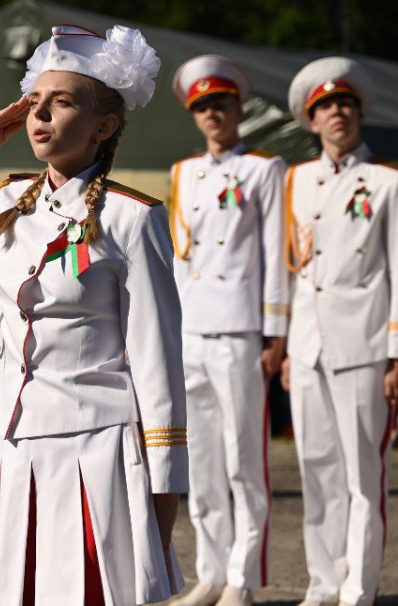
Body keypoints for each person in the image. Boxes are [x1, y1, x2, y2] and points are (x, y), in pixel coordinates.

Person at [0, 24, 187, 605]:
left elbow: (159, 363)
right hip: (18, 437)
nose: (41, 115)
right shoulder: (7, 204)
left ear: (105, 125)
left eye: (61, 102)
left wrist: (164, 492)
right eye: (35, 102)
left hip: (96, 445)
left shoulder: (134, 217)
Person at [281, 57, 398, 606]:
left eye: (345, 104)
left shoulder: (389, 180)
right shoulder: (298, 179)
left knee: (363, 476)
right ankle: (322, 582)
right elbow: (293, 268)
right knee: (317, 473)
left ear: (359, 113)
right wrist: (287, 345)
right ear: (312, 122)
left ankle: (359, 588)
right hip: (309, 345)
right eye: (325, 106)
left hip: (363, 342)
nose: (337, 112)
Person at [168, 56, 288, 606]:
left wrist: (274, 332)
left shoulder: (264, 169)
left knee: (245, 458)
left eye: (220, 103)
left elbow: (272, 255)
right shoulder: (184, 172)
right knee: (202, 460)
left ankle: (243, 575)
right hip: (192, 325)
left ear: (238, 109)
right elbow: (178, 256)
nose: (211, 113)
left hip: (240, 325)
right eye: (201, 107)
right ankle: (210, 571)